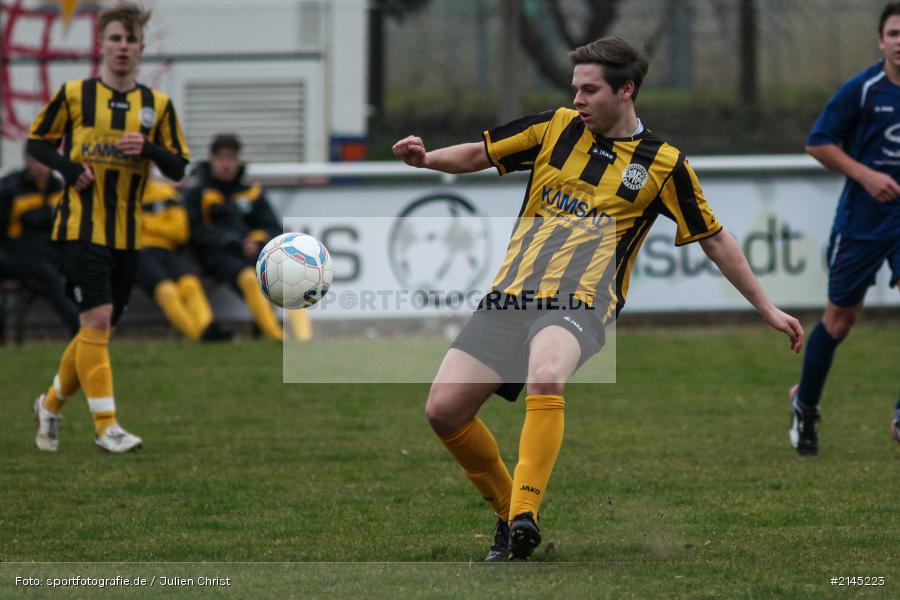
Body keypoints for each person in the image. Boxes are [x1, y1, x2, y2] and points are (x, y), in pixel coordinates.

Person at [393, 36, 804, 561]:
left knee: (546, 373)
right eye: (575, 89)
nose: (579, 99)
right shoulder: (554, 127)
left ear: (625, 90)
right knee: (443, 412)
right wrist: (426, 158)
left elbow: (716, 238)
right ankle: (507, 514)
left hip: (582, 302)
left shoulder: (664, 164)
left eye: (590, 90)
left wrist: (767, 308)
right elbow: (479, 153)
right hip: (511, 293)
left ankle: (525, 513)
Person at [27, 1, 190, 453]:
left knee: (95, 332)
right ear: (102, 44)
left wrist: (152, 150)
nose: (122, 47)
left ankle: (50, 405)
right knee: (96, 320)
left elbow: (178, 169)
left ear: (141, 48)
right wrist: (66, 167)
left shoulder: (156, 106)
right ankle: (107, 426)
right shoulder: (76, 94)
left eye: (130, 39)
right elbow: (37, 142)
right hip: (80, 226)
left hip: (127, 232)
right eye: (115, 38)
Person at [789, 1, 900, 455]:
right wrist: (867, 175)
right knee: (839, 321)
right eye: (894, 33)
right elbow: (818, 142)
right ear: (881, 41)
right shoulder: (864, 89)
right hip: (863, 223)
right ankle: (806, 407)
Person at [186, 133, 312, 341]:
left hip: (253, 251)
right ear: (211, 160)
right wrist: (234, 242)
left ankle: (305, 339)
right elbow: (196, 232)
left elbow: (271, 226)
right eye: (221, 158)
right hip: (217, 256)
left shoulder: (251, 191)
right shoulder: (198, 193)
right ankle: (277, 337)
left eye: (231, 158)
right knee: (249, 278)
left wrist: (258, 239)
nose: (227, 165)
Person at [136, 175, 232, 342]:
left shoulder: (165, 192)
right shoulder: (119, 192)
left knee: (190, 284)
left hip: (167, 250)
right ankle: (199, 336)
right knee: (167, 291)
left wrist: (146, 223)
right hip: (137, 254)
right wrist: (161, 224)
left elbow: (180, 232)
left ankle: (208, 328)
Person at [0, 153, 80, 336]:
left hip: (51, 254)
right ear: (27, 162)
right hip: (19, 255)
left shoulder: (60, 189)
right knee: (48, 276)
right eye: (36, 162)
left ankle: (91, 327)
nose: (40, 167)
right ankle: (79, 328)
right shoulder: (11, 190)